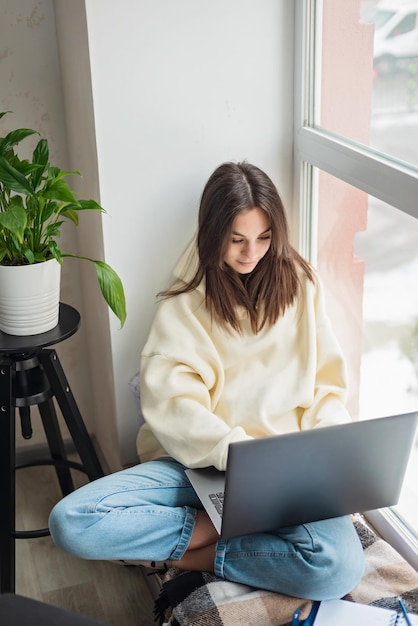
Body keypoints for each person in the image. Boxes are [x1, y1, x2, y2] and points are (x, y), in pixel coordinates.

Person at [49, 161, 365, 600]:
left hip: (288, 471)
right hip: (199, 467)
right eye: (236, 240)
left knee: (339, 570)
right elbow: (176, 409)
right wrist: (237, 457)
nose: (250, 252)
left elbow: (328, 389)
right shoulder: (182, 307)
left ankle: (190, 554)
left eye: (263, 237)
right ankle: (215, 524)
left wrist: (324, 453)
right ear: (213, 232)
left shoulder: (302, 285)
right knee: (72, 521)